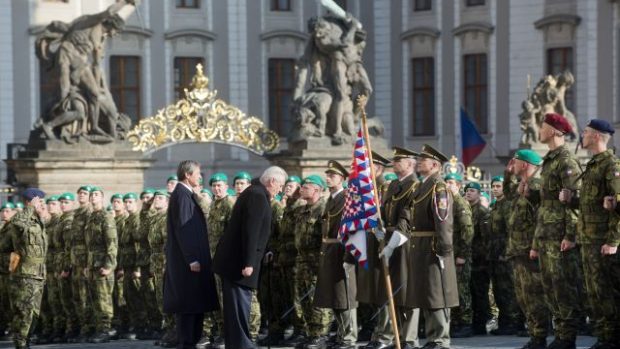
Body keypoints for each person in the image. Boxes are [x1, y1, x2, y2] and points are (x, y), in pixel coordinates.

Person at [212, 166, 287, 349]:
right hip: (239, 263)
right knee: (239, 306)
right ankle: (242, 344)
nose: (281, 190)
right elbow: (251, 231)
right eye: (281, 185)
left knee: (236, 306)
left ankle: (237, 343)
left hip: (236, 261)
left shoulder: (255, 192)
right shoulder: (257, 195)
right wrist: (249, 262)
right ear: (272, 181)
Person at [563, 119, 620, 348]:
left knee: (605, 291)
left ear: (596, 136)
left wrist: (613, 240)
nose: (582, 135)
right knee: (594, 291)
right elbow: (593, 204)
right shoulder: (593, 165)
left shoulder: (611, 165)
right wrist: (572, 200)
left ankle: (611, 337)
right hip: (588, 239)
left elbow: (618, 203)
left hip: (603, 241)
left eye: (585, 132)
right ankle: (604, 335)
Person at [531, 113, 582, 349]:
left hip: (560, 234)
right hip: (546, 234)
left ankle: (567, 336)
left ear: (553, 131)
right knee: (550, 286)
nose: (539, 130)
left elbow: (573, 202)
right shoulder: (549, 159)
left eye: (542, 127)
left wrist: (570, 235)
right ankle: (560, 333)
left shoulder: (566, 160)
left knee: (562, 286)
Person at [403, 144, 457, 349]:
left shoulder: (438, 187)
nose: (418, 162)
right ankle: (432, 337)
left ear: (434, 164)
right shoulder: (423, 186)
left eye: (422, 160)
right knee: (425, 292)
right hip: (420, 246)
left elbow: (443, 221)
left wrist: (444, 249)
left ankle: (440, 339)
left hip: (433, 245)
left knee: (437, 292)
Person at [164, 160, 219, 349]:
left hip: (192, 260)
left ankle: (192, 340)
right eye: (198, 173)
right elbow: (184, 229)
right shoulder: (182, 195)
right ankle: (187, 341)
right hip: (188, 262)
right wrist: (192, 258)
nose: (200, 176)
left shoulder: (186, 194)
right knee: (188, 304)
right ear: (187, 175)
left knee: (195, 302)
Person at [505, 149, 550, 349]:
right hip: (517, 250)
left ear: (524, 164)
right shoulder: (519, 185)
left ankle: (539, 336)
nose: (512, 165)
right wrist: (507, 174)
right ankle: (534, 334)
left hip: (530, 250)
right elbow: (507, 195)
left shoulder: (537, 186)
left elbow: (542, 219)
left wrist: (535, 246)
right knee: (523, 297)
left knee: (534, 296)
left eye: (514, 162)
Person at [314, 160, 358, 349]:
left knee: (345, 296)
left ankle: (349, 337)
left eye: (332, 176)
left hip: (342, 251)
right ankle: (341, 334)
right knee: (334, 297)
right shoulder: (331, 199)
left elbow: (354, 230)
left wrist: (350, 257)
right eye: (327, 175)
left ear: (342, 178)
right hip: (330, 252)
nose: (328, 178)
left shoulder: (348, 198)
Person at [0, 188, 49, 349]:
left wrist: (39, 215)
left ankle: (26, 338)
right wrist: (29, 208)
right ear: (31, 201)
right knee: (23, 310)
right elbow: (17, 226)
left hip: (39, 274)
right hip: (25, 274)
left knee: (34, 311)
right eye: (39, 201)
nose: (42, 205)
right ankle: (20, 342)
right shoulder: (20, 219)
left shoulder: (37, 221)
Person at [200, 172, 234, 349]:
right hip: (212, 258)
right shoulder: (214, 205)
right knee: (216, 299)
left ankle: (227, 335)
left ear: (226, 187)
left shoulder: (229, 204)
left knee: (225, 299)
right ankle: (219, 332)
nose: (217, 188)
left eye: (220, 185)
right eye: (214, 186)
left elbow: (232, 233)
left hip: (224, 259)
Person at [487, 176, 521, 335]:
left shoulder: (507, 205)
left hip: (505, 255)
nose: (495, 189)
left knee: (509, 290)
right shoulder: (495, 206)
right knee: (499, 291)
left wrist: (506, 252)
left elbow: (510, 232)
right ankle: (505, 322)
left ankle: (513, 322)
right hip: (495, 253)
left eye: (498, 186)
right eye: (493, 186)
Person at [84, 187, 118, 343]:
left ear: (102, 198)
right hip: (92, 265)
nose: (93, 197)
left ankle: (106, 329)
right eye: (91, 195)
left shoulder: (106, 217)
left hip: (103, 265)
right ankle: (99, 328)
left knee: (104, 299)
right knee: (94, 299)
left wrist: (109, 265)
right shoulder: (91, 217)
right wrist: (87, 265)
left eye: (96, 195)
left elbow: (112, 243)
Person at [444, 173, 474, 338]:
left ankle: (465, 323)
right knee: (454, 289)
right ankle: (456, 322)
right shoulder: (449, 202)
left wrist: (462, 254)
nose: (447, 185)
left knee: (462, 290)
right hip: (452, 253)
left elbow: (467, 231)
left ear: (458, 186)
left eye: (450, 183)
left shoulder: (460, 203)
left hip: (460, 254)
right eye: (446, 182)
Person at [463, 181, 492, 335]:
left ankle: (480, 325)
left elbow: (487, 238)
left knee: (480, 293)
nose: (469, 193)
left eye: (472, 190)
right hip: (469, 258)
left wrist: (485, 259)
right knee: (471, 292)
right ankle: (474, 322)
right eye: (467, 190)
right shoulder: (466, 210)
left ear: (479, 193)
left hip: (480, 260)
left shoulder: (482, 212)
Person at [67, 185, 94, 342]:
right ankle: (81, 328)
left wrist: (87, 263)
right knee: (77, 297)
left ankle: (88, 329)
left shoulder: (89, 213)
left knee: (85, 297)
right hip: (75, 260)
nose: (82, 196)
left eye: (85, 193)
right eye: (80, 193)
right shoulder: (75, 213)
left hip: (84, 261)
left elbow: (90, 240)